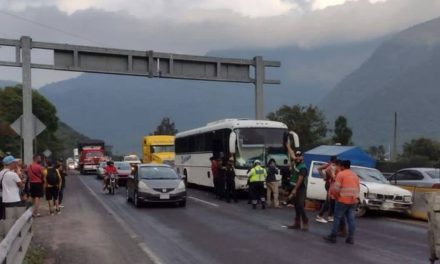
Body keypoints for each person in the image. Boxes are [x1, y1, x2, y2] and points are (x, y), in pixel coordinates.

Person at [323, 160, 360, 244]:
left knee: (337, 218)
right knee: (351, 219)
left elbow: (336, 188)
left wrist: (336, 197)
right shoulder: (355, 175)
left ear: (342, 166)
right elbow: (358, 188)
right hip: (353, 200)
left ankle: (333, 236)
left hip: (342, 200)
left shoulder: (341, 174)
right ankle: (350, 238)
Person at [286, 144, 309, 231]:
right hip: (293, 187)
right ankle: (297, 223)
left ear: (302, 157)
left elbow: (300, 180)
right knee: (296, 206)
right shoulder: (296, 162)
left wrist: (294, 190)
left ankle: (305, 220)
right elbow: (291, 153)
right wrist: (287, 145)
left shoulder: (303, 167)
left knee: (300, 205)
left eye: (300, 156)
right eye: (297, 155)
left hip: (300, 188)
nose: (298, 157)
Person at [0, 156, 24, 220]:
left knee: (6, 219)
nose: (16, 164)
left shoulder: (1, 173)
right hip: (14, 199)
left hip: (4, 199)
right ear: (11, 164)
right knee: (15, 219)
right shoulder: (13, 174)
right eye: (15, 163)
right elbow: (21, 185)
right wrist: (18, 173)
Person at [316, 156, 337, 223]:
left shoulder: (329, 164)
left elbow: (319, 169)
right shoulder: (331, 166)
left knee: (332, 201)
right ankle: (320, 216)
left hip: (329, 183)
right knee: (329, 201)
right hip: (329, 184)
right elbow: (319, 168)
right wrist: (325, 177)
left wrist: (324, 177)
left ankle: (330, 216)